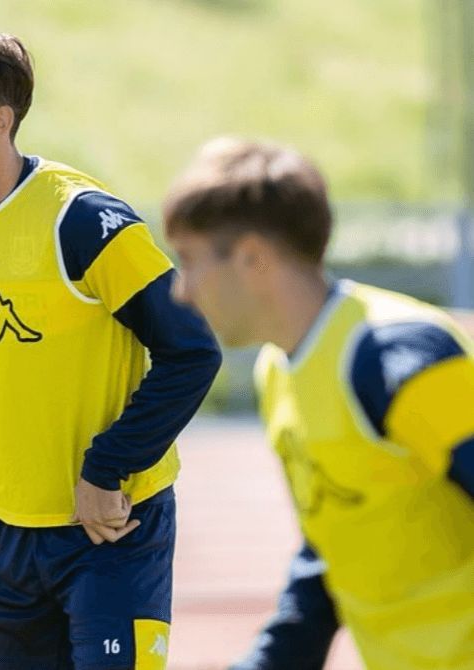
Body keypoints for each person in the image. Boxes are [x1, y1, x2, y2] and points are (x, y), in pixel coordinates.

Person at [0, 28, 222, 670]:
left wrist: (105, 468)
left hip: (112, 536)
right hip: (3, 543)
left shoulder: (84, 221)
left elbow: (192, 351)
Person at [161, 137, 474, 670]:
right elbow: (329, 551)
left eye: (190, 260)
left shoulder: (397, 355)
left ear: (252, 257)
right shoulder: (278, 372)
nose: (182, 291)